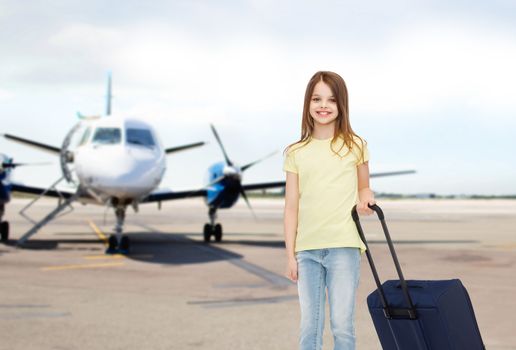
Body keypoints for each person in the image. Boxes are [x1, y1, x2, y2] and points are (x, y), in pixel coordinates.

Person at [283, 71, 375, 350]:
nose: (323, 106)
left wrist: (367, 200)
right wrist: (290, 255)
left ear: (341, 105)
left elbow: (364, 188)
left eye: (331, 100)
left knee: (342, 327)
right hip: (307, 251)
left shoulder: (355, 145)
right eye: (317, 99)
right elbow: (291, 207)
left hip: (344, 247)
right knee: (309, 328)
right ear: (308, 104)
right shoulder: (296, 152)